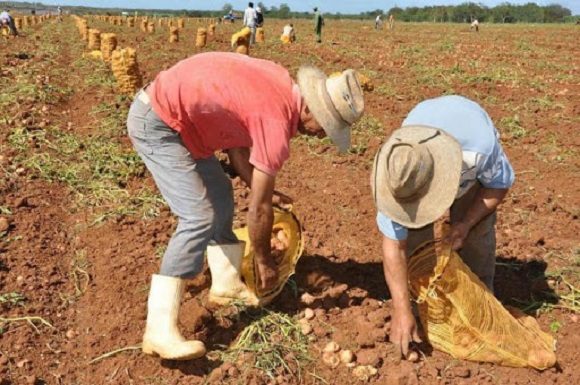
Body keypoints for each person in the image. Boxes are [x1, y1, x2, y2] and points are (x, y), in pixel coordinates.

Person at [127, 52, 364, 360]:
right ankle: (158, 330)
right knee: (198, 215)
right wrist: (263, 259)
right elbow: (259, 210)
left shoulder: (279, 83)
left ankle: (226, 284)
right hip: (159, 123)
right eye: (325, 125)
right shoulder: (276, 120)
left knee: (222, 195)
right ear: (309, 107)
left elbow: (238, 146)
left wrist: (264, 189)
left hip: (185, 125)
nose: (321, 135)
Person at [371, 95, 514, 358]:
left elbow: (498, 185)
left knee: (476, 237)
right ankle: (420, 309)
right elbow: (394, 246)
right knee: (415, 243)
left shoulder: (479, 148)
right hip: (422, 158)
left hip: (470, 169)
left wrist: (465, 224)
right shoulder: (398, 171)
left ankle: (480, 306)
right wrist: (400, 309)